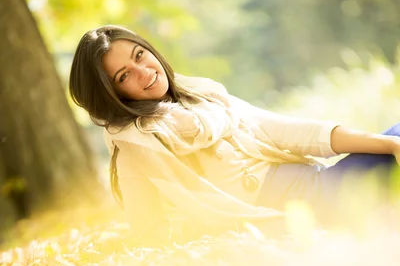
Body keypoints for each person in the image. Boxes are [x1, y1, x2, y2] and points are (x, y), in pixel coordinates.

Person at [69, 25, 400, 244]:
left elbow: (290, 132)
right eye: (125, 75)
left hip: (323, 182)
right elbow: (148, 231)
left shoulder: (204, 98)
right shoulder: (138, 146)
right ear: (113, 95)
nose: (144, 72)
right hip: (300, 210)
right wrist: (219, 226)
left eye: (140, 55)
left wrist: (387, 144)